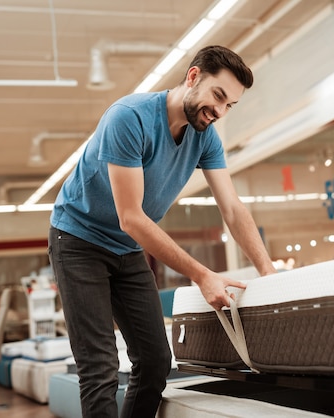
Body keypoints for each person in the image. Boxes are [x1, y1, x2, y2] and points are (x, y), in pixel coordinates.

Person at [48, 45, 276, 418]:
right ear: (193, 77)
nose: (219, 111)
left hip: (126, 248)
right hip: (78, 240)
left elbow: (233, 209)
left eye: (229, 106)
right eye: (218, 96)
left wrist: (269, 274)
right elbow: (131, 217)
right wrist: (202, 274)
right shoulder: (129, 117)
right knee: (100, 366)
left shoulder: (204, 137)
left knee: (155, 362)